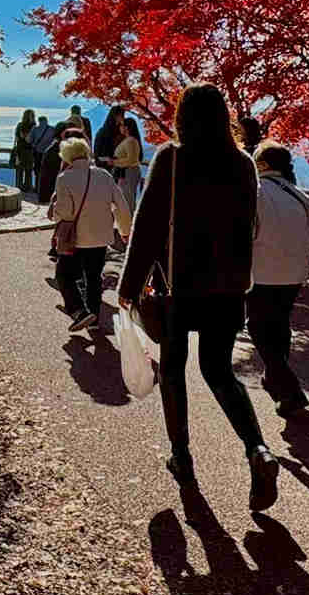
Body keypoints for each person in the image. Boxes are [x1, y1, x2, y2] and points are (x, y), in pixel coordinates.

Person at [118, 84, 280, 511]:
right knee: (219, 371)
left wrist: (128, 287)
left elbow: (148, 225)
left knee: (173, 370)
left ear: (182, 117)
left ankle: (183, 458)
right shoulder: (244, 164)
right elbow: (251, 225)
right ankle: (258, 449)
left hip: (178, 288)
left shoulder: (171, 159)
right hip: (227, 288)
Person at [247, 143, 309, 417]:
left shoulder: (255, 192)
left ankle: (287, 387)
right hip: (295, 274)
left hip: (262, 272)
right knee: (279, 325)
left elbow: (247, 234)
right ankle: (279, 386)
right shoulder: (300, 195)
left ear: (261, 164)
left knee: (257, 328)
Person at [50, 138, 117, 321]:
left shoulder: (65, 178)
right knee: (94, 277)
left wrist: (55, 214)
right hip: (101, 237)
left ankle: (79, 311)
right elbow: (121, 205)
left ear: (67, 157)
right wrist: (125, 231)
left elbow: (65, 212)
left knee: (64, 275)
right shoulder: (104, 175)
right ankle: (94, 316)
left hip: (77, 238)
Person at [112, 114, 145, 229]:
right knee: (127, 199)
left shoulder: (130, 141)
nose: (120, 128)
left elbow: (131, 159)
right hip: (127, 172)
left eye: (122, 125)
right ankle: (128, 225)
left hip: (129, 172)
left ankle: (129, 226)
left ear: (127, 127)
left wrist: (114, 162)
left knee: (128, 200)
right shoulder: (129, 140)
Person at [32, 111, 64, 204]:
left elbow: (30, 140)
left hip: (38, 153)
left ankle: (38, 189)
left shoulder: (35, 129)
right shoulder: (51, 129)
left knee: (39, 172)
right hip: (51, 152)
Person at [13, 109, 38, 193]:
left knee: (20, 170)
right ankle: (28, 187)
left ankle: (19, 186)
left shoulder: (19, 125)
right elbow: (30, 140)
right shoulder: (33, 126)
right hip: (29, 150)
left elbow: (16, 138)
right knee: (28, 170)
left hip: (20, 149)